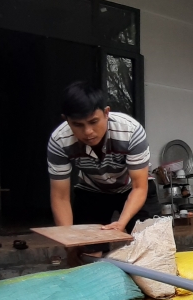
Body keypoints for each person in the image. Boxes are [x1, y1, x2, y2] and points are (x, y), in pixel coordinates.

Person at [47, 82, 150, 234]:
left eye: (93, 122)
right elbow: (60, 197)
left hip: (132, 188)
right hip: (92, 189)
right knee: (87, 250)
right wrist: (69, 239)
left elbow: (139, 187)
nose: (88, 132)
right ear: (66, 120)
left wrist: (120, 223)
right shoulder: (59, 141)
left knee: (149, 242)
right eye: (77, 125)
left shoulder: (131, 131)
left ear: (106, 112)